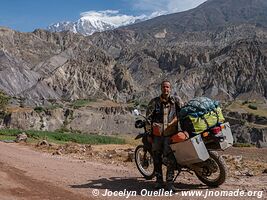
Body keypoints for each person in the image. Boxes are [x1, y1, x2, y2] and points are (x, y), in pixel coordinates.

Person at [146, 80, 182, 191]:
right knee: (156, 157)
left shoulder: (176, 100)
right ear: (161, 88)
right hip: (157, 136)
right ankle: (159, 181)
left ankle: (170, 183)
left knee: (170, 158)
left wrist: (177, 121)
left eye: (167, 87)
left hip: (170, 135)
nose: (165, 89)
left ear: (170, 88)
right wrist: (149, 134)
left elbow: (183, 113)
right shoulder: (154, 102)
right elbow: (148, 119)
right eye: (164, 87)